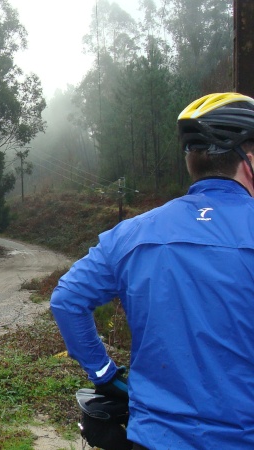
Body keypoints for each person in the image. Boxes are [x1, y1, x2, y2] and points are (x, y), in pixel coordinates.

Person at [50, 92, 254, 449]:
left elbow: (67, 299)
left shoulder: (132, 233)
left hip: (152, 437)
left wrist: (104, 375)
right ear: (249, 162)